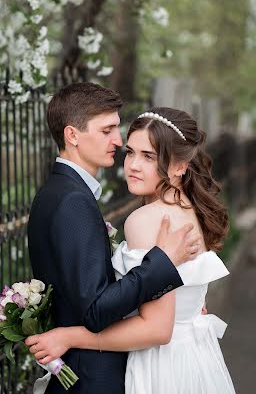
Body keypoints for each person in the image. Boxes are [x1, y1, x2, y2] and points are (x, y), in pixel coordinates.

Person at [27, 106, 235, 394]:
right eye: (131, 152)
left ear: (179, 166)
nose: (133, 165)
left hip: (161, 367)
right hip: (193, 357)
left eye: (148, 156)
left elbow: (156, 330)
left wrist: (69, 336)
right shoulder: (187, 208)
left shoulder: (147, 220)